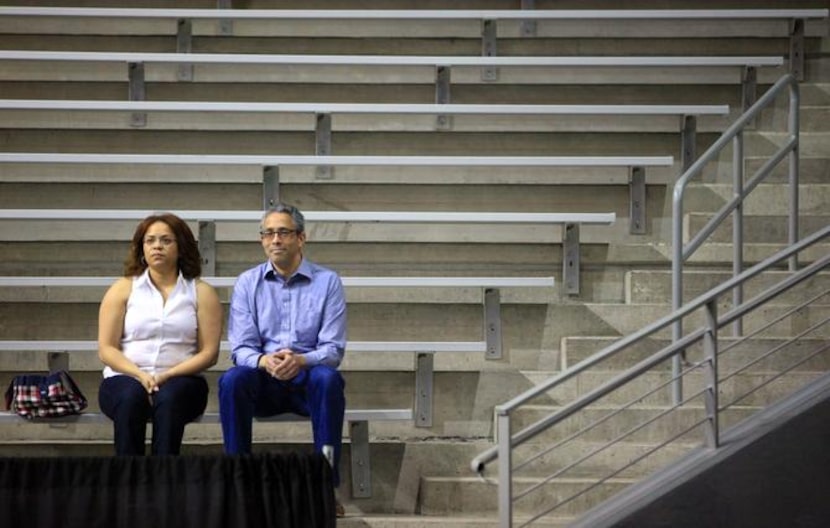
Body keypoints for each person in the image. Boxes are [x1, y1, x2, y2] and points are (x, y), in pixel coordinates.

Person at [218, 204, 347, 494]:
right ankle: (238, 485)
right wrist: (265, 361)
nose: (275, 240)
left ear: (301, 238)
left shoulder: (328, 282)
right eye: (269, 233)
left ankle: (325, 487)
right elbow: (241, 348)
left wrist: (301, 360)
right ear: (262, 239)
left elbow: (332, 349)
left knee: (328, 380)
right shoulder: (247, 283)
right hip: (264, 381)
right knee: (232, 379)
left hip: (307, 381)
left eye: (284, 232)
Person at [97, 213, 222, 455]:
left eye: (166, 240)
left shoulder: (201, 292)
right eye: (150, 240)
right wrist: (140, 375)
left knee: (170, 399)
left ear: (181, 247)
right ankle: (128, 482)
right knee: (131, 398)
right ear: (142, 248)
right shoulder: (122, 288)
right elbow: (106, 349)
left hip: (182, 380)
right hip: (125, 377)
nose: (157, 246)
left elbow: (210, 353)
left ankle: (164, 479)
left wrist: (167, 375)